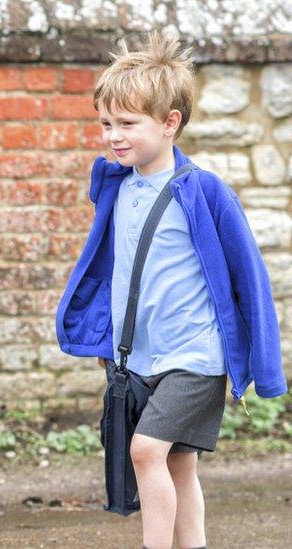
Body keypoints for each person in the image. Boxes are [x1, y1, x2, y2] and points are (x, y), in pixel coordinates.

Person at [55, 32, 287, 549]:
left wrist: (263, 369)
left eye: (128, 124)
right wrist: (108, 344)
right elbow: (113, 272)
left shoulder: (203, 192)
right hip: (140, 358)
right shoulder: (119, 186)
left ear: (170, 122)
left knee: (145, 452)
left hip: (195, 357)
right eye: (106, 124)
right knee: (180, 464)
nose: (114, 136)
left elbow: (248, 278)